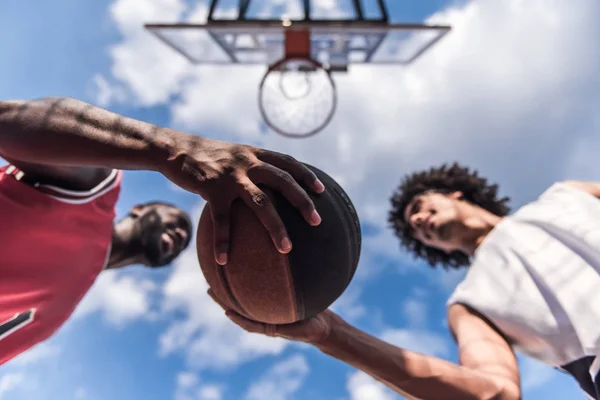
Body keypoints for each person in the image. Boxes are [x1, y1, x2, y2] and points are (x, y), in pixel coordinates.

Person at [219, 162, 600, 400]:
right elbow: (495, 393)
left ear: (455, 193)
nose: (418, 221)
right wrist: (331, 334)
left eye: (418, 206)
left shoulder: (566, 195)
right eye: (416, 230)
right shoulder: (471, 304)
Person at [0, 96, 324, 367]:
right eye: (177, 220)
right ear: (140, 208)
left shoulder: (55, 314)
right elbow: (6, 121)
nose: (181, 235)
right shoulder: (96, 191)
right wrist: (172, 150)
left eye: (182, 240)